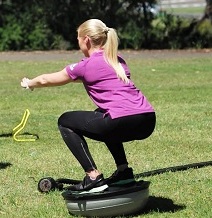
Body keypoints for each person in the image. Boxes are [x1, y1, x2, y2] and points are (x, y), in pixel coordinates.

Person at [21, 19, 156, 192]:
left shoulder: (85, 65)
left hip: (120, 120)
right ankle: (124, 172)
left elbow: (46, 80)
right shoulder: (118, 60)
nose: (78, 43)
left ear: (86, 40)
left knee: (65, 121)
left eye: (78, 39)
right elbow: (100, 79)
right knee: (101, 113)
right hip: (147, 120)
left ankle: (92, 176)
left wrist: (29, 83)